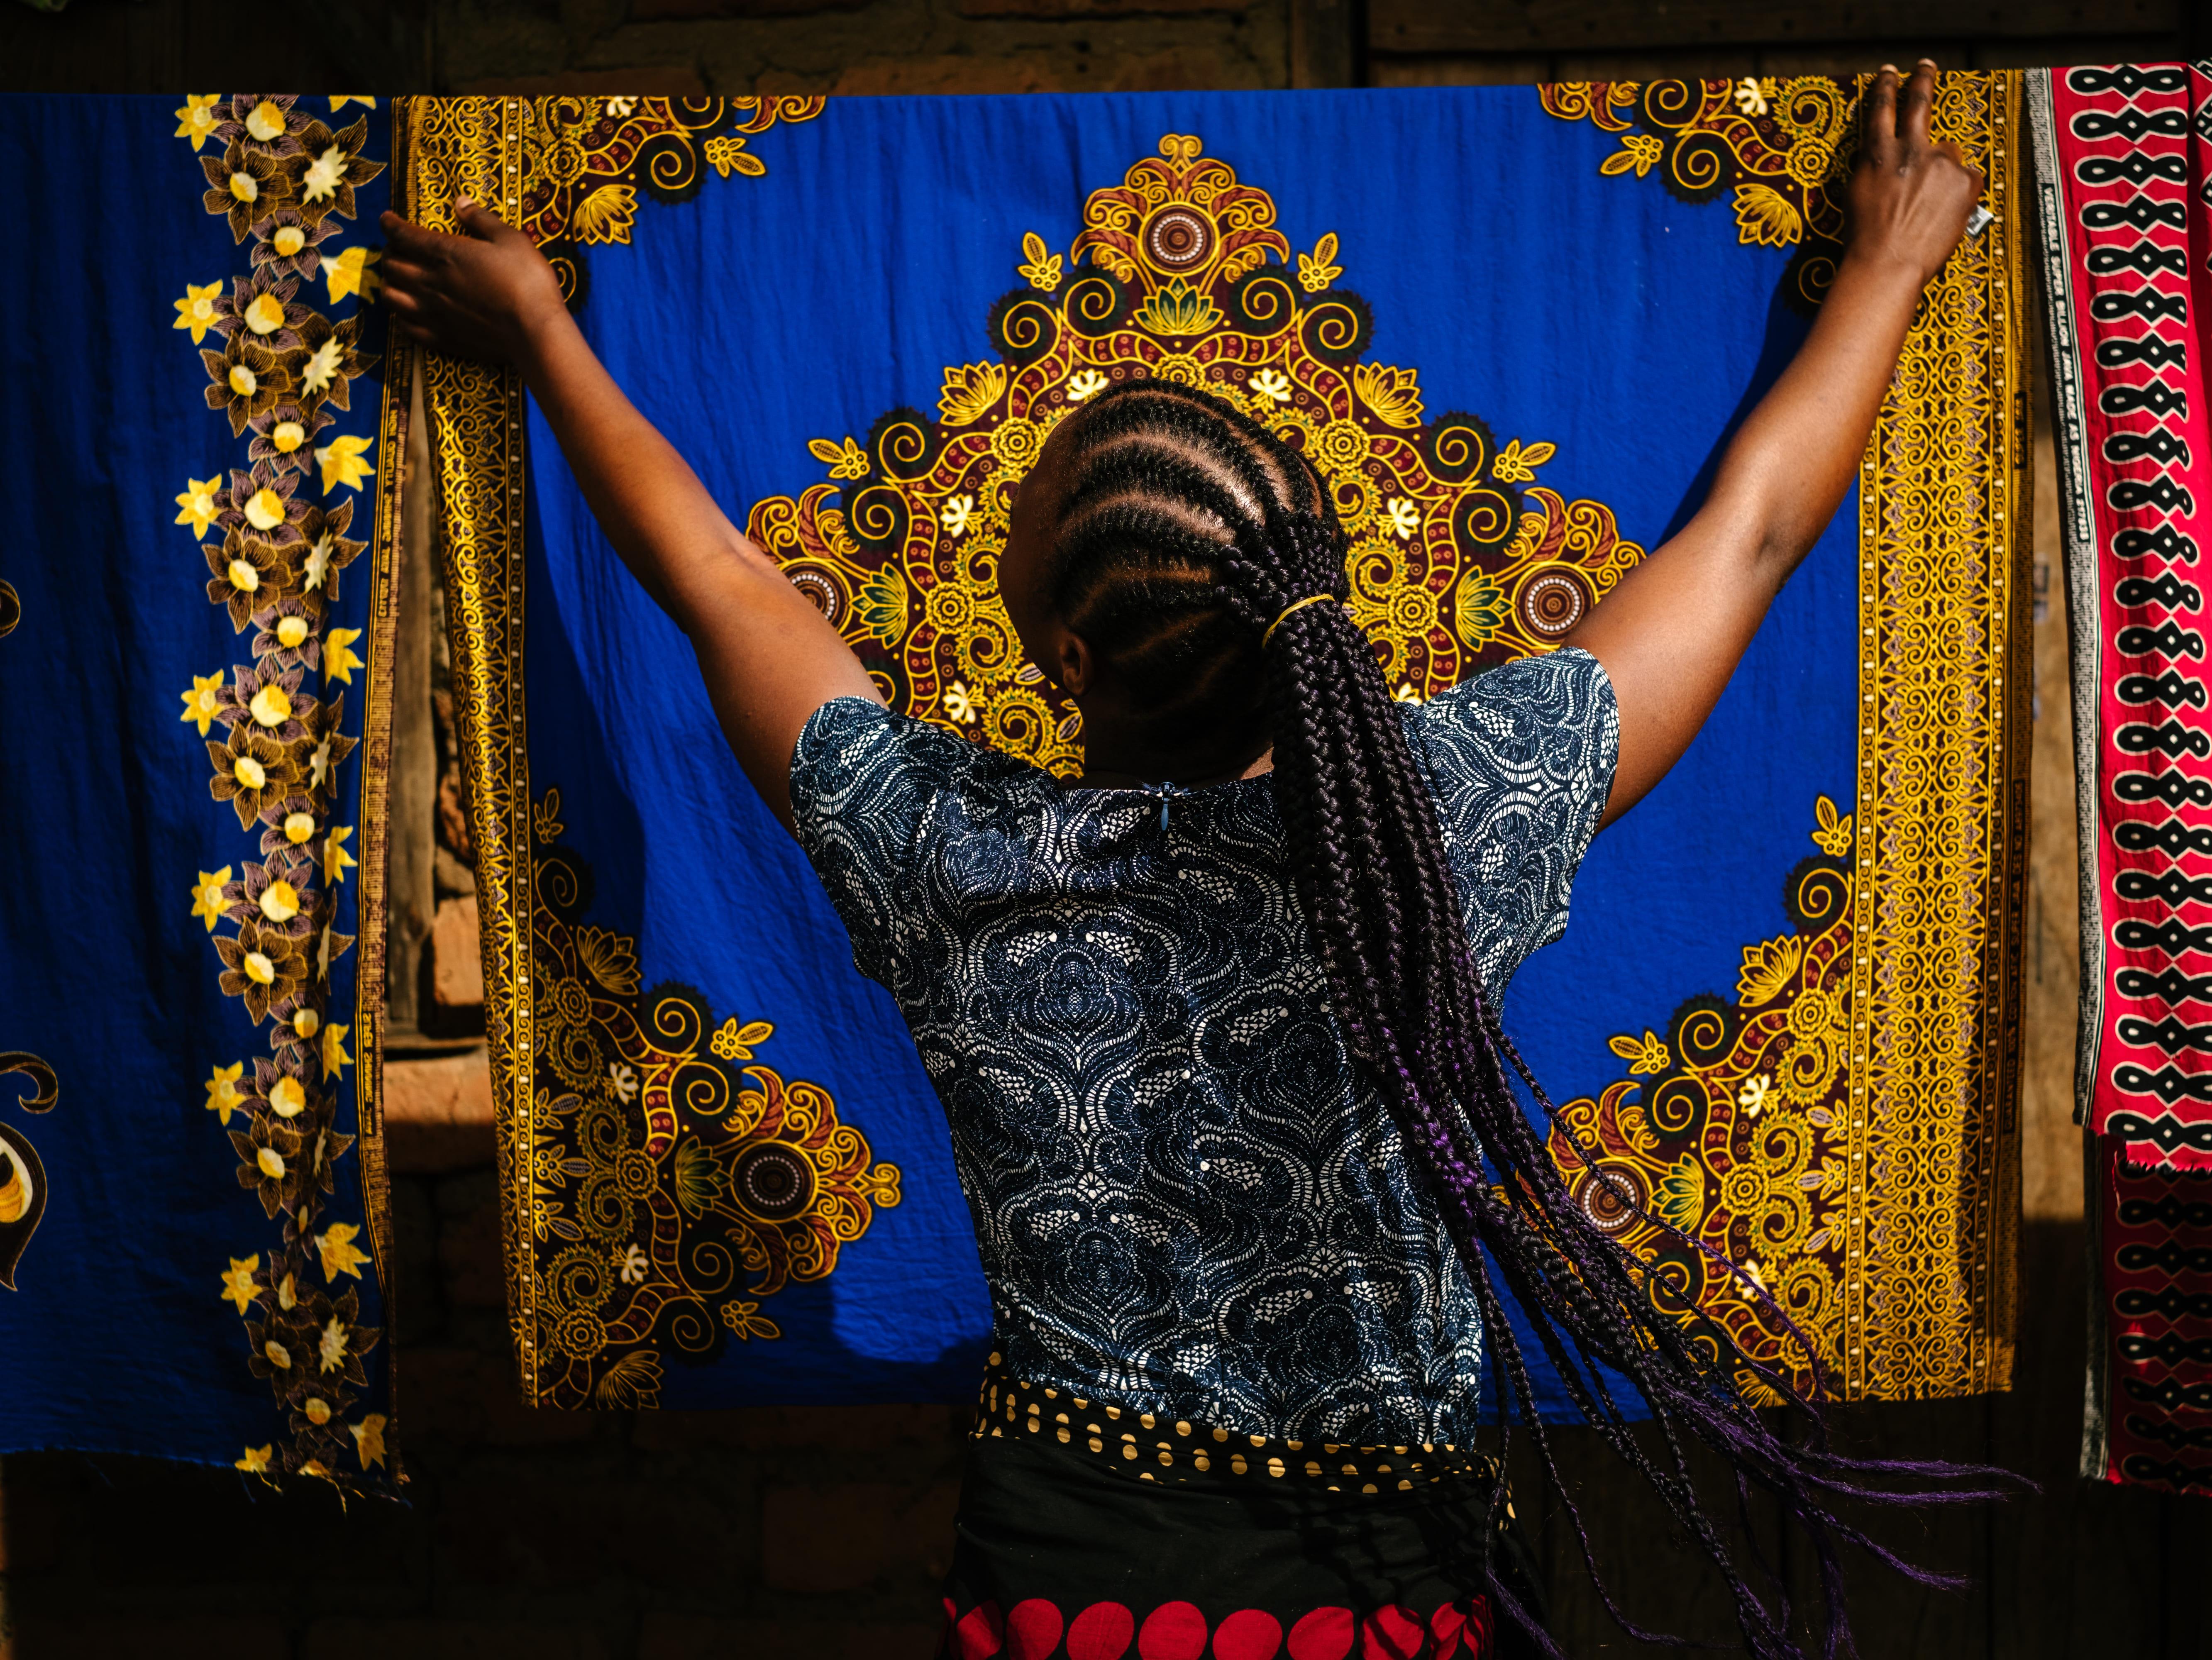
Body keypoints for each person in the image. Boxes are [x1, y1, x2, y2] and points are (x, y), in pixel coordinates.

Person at [378, 60, 1984, 1660]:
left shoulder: (945, 849)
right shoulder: (1448, 828)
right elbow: (1752, 535)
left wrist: (539, 336)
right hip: (1389, 1605)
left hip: (1075, 1604)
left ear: (1066, 658)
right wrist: (1891, 265)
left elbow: (724, 577)